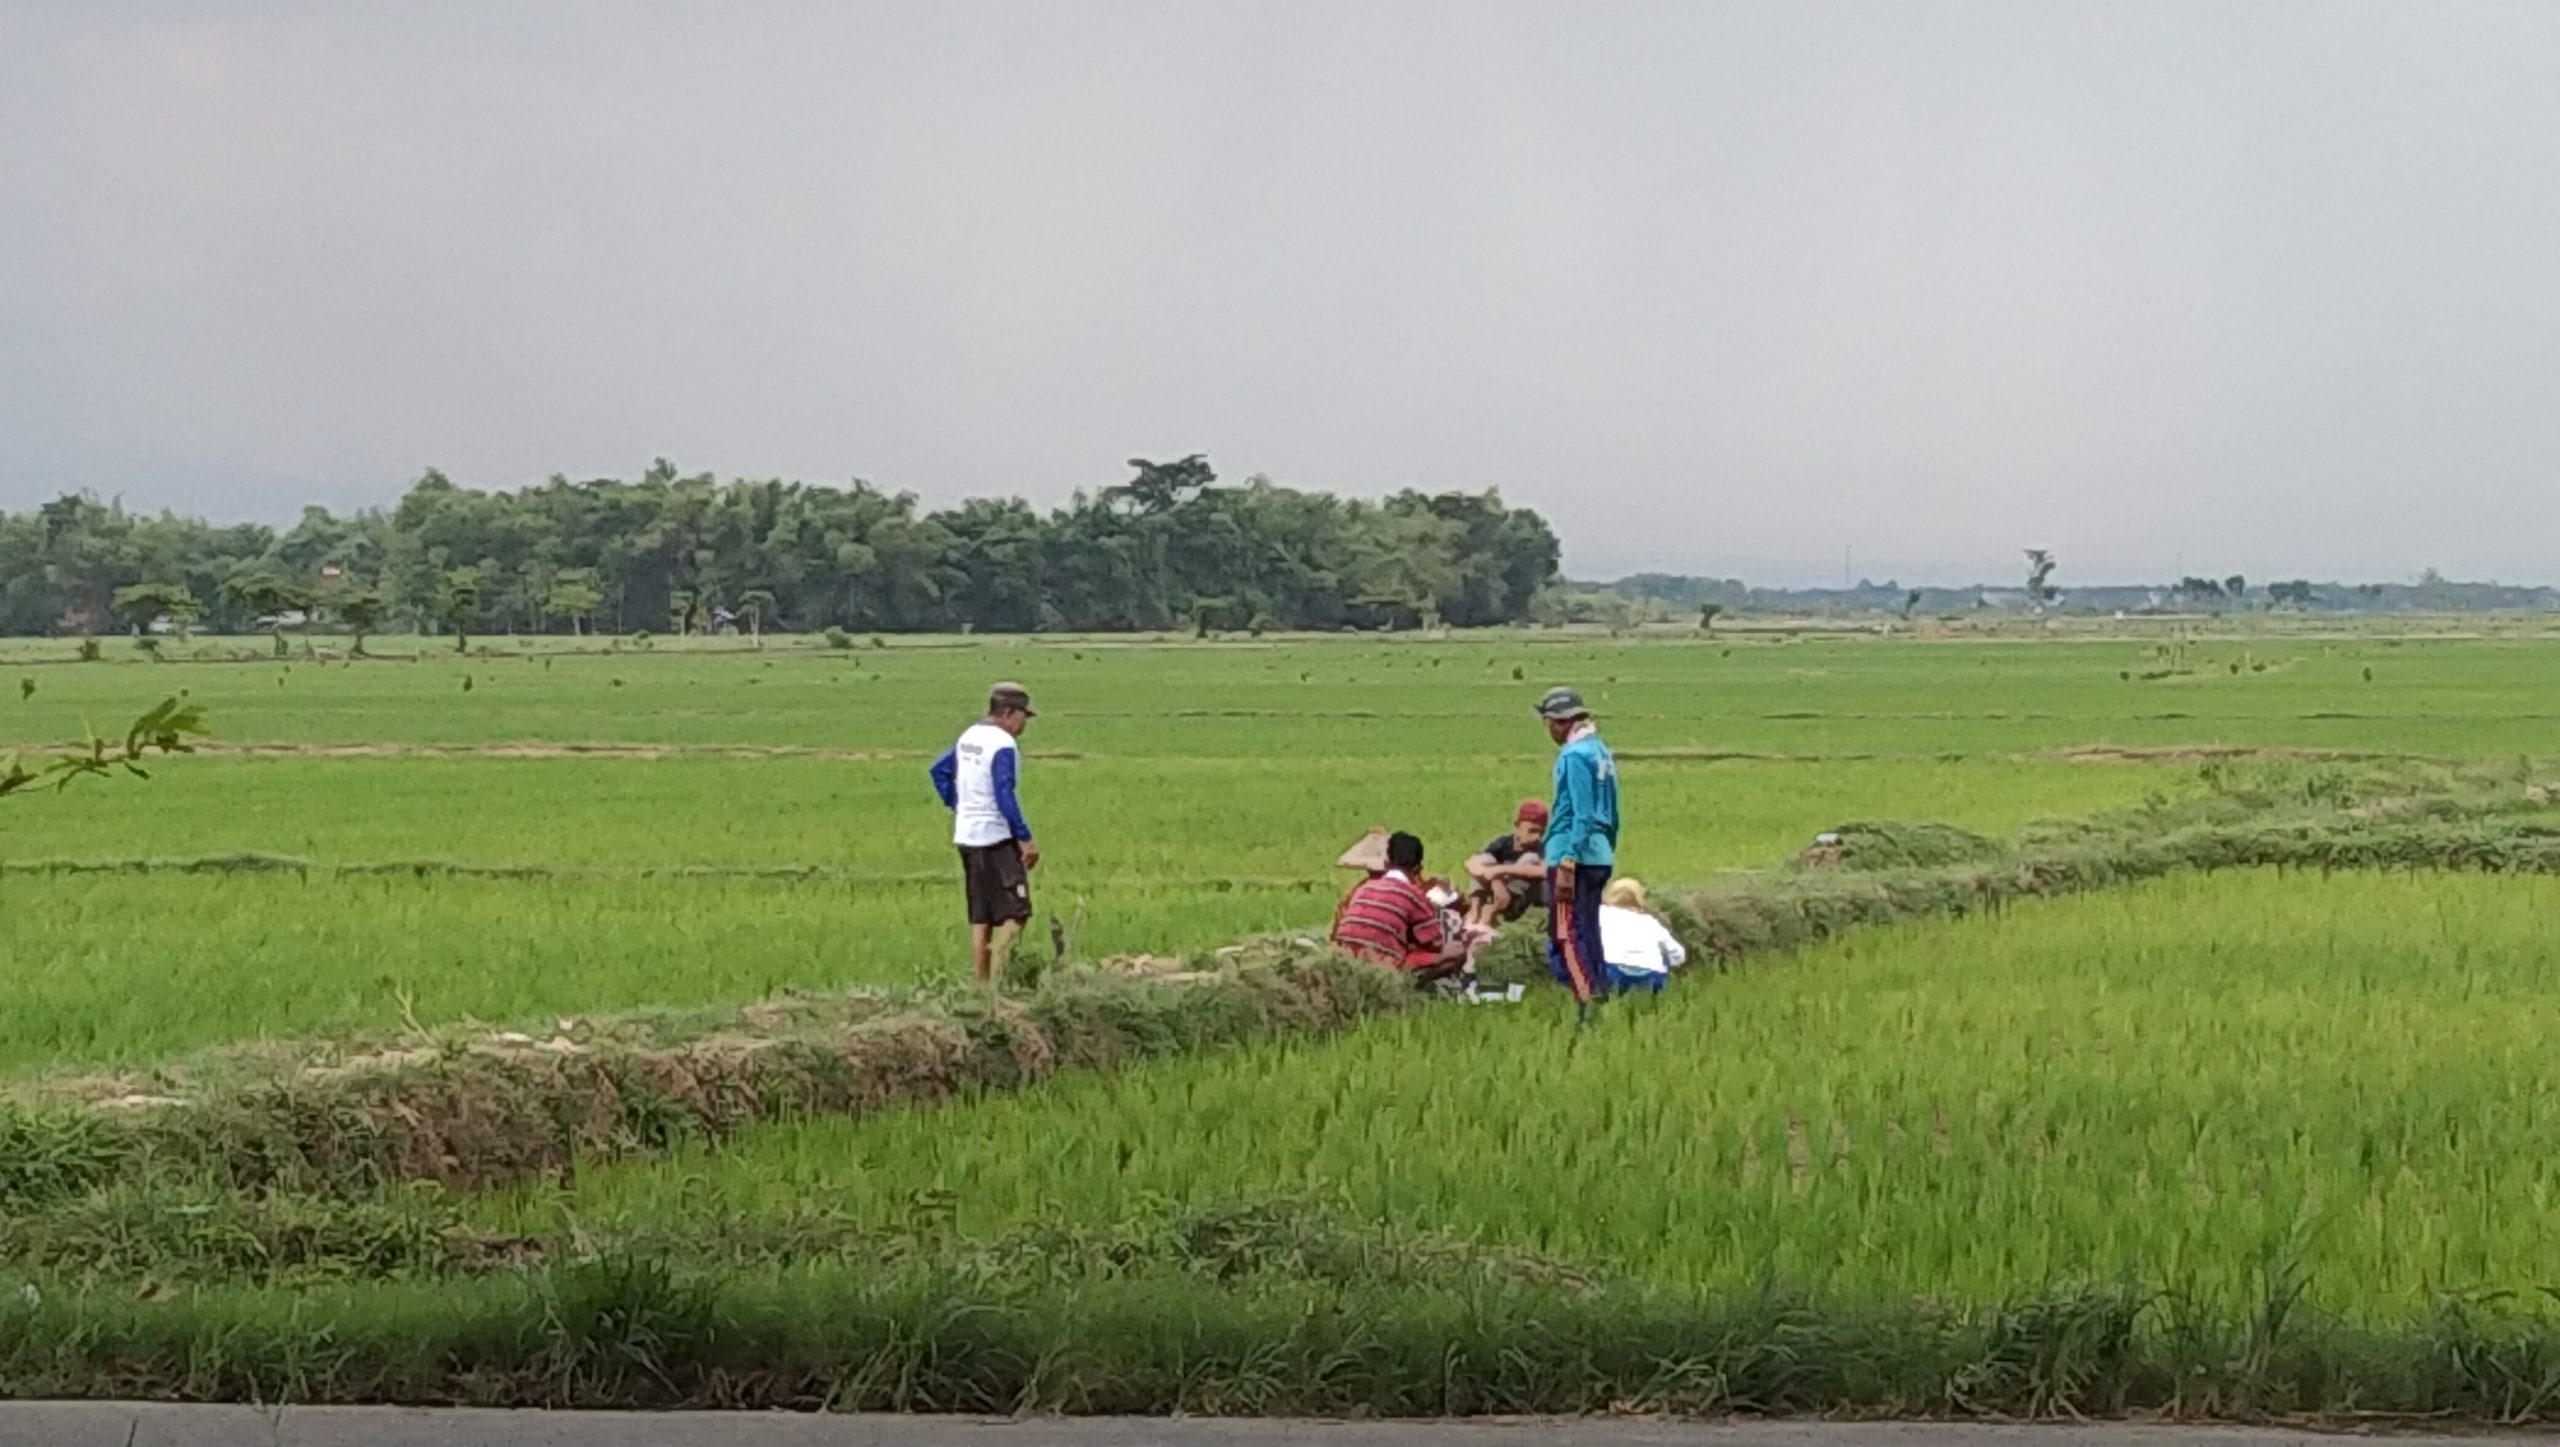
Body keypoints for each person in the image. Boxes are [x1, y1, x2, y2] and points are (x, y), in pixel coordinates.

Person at [928, 682, 1041, 985]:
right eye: (1022, 716)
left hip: (967, 836)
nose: (1024, 724)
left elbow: (939, 771)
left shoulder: (969, 737)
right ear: (1007, 713)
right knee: (1017, 913)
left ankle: (979, 987)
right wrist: (1025, 837)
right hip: (995, 837)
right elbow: (1004, 793)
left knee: (981, 916)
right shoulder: (1002, 744)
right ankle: (997, 981)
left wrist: (959, 804)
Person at [1536, 685, 1619, 1020]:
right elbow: (1612, 812)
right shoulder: (1600, 751)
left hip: (1575, 855)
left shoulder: (1573, 756)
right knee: (1589, 929)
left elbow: (1582, 813)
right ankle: (1600, 993)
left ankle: (1588, 1004)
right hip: (1599, 855)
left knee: (1566, 933)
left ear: (1559, 722)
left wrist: (1569, 860)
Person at [1331, 831, 1470, 987]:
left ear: (1386, 862)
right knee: (1454, 952)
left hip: (1344, 962)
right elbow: (1435, 941)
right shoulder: (1412, 894)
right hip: (1382, 969)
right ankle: (1412, 988)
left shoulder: (1362, 889)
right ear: (1418, 869)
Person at [1463, 800, 1550, 927]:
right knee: (1485, 859)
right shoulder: (1503, 843)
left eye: (1541, 832)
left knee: (1530, 860)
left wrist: (1499, 871)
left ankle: (1490, 915)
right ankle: (1475, 911)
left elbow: (1544, 870)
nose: (1536, 837)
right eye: (1532, 831)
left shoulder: (1539, 850)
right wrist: (1496, 881)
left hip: (1520, 900)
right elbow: (1471, 863)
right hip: (1498, 893)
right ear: (1517, 827)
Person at [1597, 877, 1686, 995]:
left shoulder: (1601, 913)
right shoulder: (1650, 922)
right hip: (1652, 974)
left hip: (1612, 971)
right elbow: (1678, 954)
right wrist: (1669, 964)